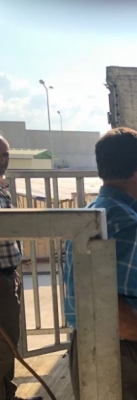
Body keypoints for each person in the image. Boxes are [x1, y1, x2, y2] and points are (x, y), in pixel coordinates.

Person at [63, 128, 137, 400]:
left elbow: (95, 285)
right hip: (121, 354)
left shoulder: (93, 213)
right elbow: (112, 316)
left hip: (87, 347)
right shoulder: (127, 222)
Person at [0, 135, 42, 400]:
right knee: (3, 347)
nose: (3, 161)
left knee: (8, 342)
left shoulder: (2, 188)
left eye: (5, 155)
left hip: (7, 273)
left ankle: (8, 393)